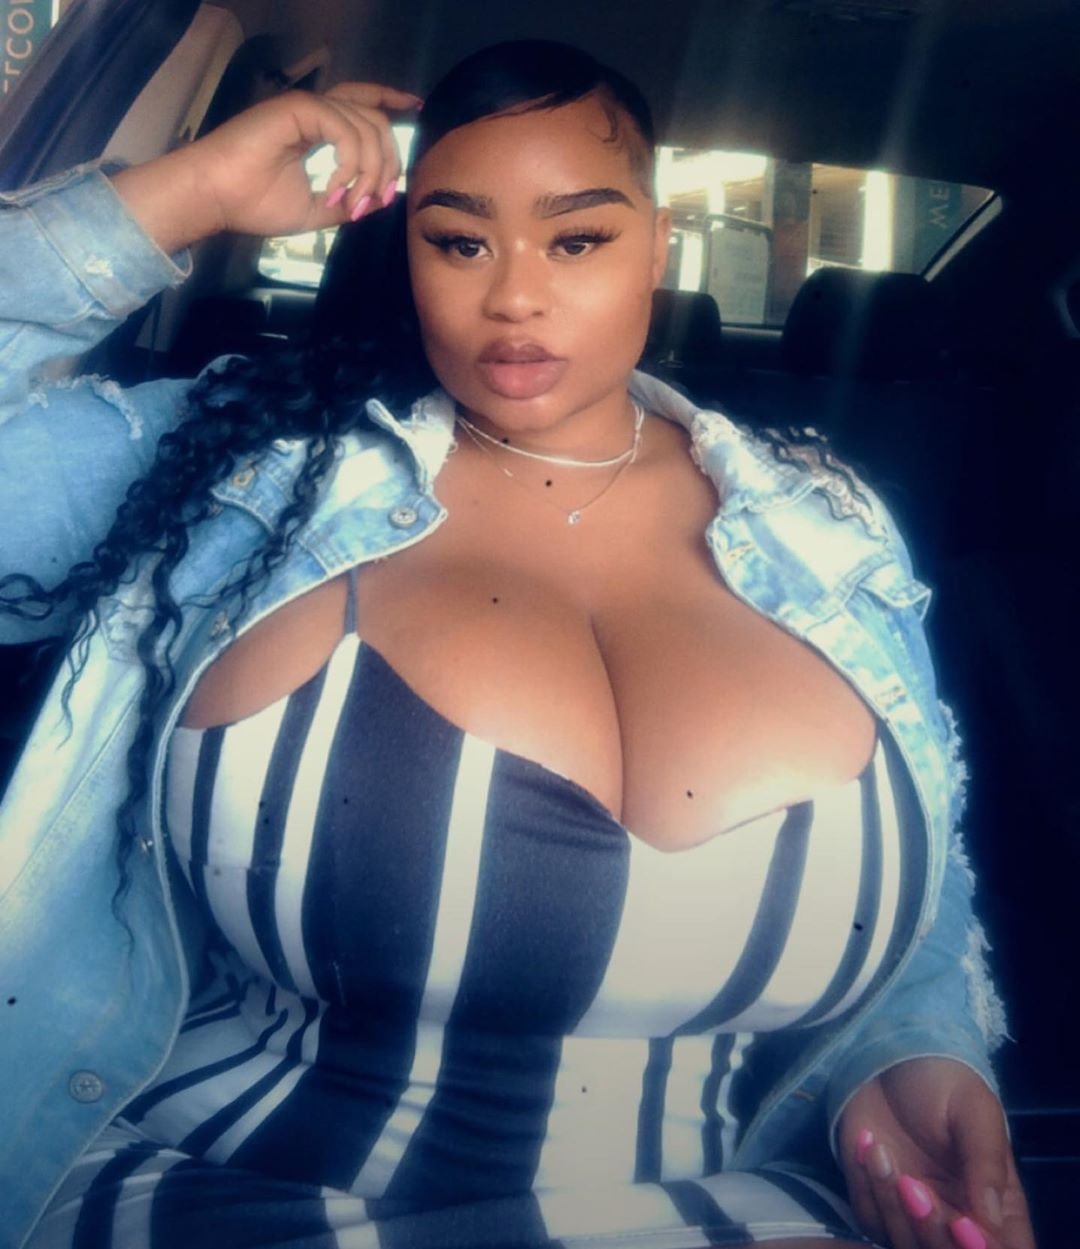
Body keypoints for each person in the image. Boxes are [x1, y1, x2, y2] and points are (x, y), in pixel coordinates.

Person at [0, 38, 1035, 1249]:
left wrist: (911, 1049)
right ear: (405, 252)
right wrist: (187, 195)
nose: (514, 298)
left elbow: (923, 879)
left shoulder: (832, 531)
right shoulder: (243, 475)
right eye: (459, 241)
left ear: (659, 245)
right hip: (213, 1194)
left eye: (578, 239)